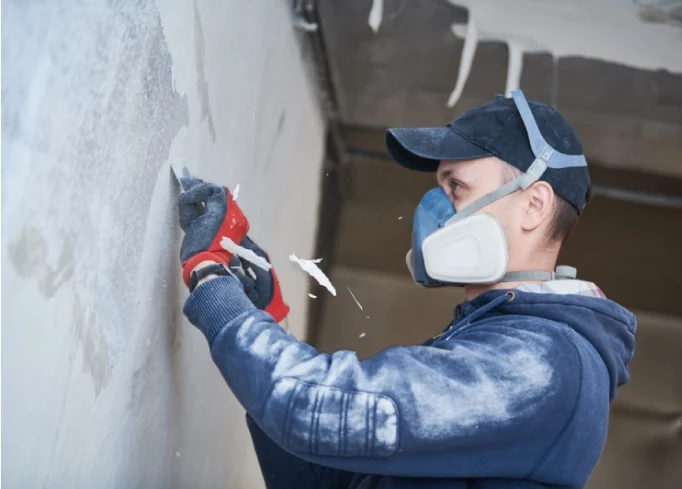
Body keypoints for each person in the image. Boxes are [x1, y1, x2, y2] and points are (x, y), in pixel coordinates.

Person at [177, 90, 637, 489]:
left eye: (456, 188)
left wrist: (212, 281)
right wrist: (262, 317)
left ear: (533, 205)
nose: (437, 211)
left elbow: (311, 410)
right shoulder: (502, 339)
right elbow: (324, 480)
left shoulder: (545, 361)